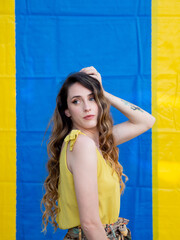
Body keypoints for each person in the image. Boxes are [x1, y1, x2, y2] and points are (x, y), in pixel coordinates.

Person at [40, 66, 156, 239]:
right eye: (76, 101)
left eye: (92, 98)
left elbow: (146, 121)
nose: (87, 107)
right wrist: (97, 94)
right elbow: (90, 224)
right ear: (67, 111)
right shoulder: (82, 144)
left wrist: (102, 92)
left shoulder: (98, 142)